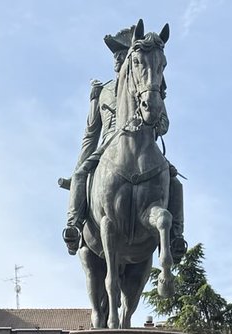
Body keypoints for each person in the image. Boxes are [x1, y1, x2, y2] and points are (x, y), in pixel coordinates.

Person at [61, 25, 186, 261]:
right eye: (115, 56)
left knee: (175, 183)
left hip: (144, 144)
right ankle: (74, 226)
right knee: (80, 175)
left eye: (121, 55)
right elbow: (91, 133)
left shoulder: (145, 87)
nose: (117, 60)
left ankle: (176, 236)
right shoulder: (104, 90)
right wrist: (81, 163)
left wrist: (158, 122)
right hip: (108, 144)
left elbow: (165, 123)